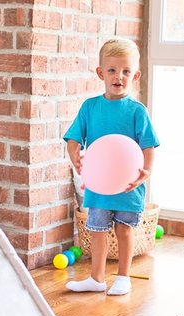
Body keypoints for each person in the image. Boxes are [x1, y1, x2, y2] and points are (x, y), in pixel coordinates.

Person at [62, 38, 160, 296]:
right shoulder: (90, 107)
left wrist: (145, 172)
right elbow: (73, 139)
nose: (119, 77)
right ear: (100, 73)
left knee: (124, 230)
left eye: (126, 71)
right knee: (97, 231)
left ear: (135, 75)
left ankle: (123, 277)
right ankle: (96, 278)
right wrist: (76, 155)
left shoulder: (137, 111)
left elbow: (148, 146)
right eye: (113, 70)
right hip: (99, 184)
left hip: (128, 185)